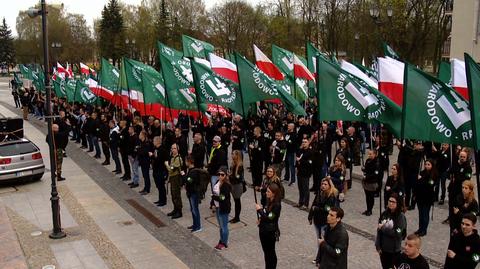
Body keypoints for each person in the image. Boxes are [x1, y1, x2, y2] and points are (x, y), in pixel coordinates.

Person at [309, 177, 338, 266]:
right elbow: (313, 204)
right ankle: (320, 258)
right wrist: (310, 215)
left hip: (324, 222)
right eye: (322, 184)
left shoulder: (331, 196)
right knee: (319, 240)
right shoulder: (319, 193)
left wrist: (317, 208)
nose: (323, 186)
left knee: (323, 241)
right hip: (317, 220)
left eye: (325, 184)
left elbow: (327, 209)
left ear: (329, 186)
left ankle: (321, 259)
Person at [375, 193, 407, 269]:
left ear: (398, 203)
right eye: (390, 201)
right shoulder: (384, 214)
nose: (390, 203)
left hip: (393, 251)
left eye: (393, 202)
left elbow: (398, 233)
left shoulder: (401, 217)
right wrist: (378, 245)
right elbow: (379, 231)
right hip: (383, 250)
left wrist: (384, 228)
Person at [256, 181, 282, 269]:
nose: (266, 193)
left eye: (268, 192)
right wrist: (260, 218)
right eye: (266, 191)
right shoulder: (268, 201)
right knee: (266, 253)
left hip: (270, 232)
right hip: (263, 230)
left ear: (274, 194)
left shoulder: (277, 205)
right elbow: (265, 213)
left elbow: (269, 218)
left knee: (270, 253)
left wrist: (259, 210)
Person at [414, 159, 437, 236]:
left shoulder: (433, 175)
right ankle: (420, 228)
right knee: (420, 214)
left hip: (427, 198)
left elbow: (430, 185)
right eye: (426, 164)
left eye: (428, 164)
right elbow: (417, 184)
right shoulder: (422, 173)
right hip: (420, 196)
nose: (426, 166)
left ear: (432, 165)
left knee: (425, 214)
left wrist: (421, 179)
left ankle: (424, 230)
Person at [212, 166, 231, 250]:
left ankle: (224, 242)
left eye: (222, 174)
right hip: (217, 207)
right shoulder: (217, 182)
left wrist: (213, 197)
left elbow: (222, 198)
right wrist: (213, 203)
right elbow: (215, 194)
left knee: (224, 226)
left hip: (223, 208)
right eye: (219, 174)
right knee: (220, 226)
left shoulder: (226, 185)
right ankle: (221, 240)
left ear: (226, 175)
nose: (220, 176)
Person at [183, 155, 203, 232]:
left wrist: (184, 175)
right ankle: (195, 224)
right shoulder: (191, 170)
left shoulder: (193, 172)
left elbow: (189, 181)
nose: (185, 163)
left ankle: (198, 226)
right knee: (192, 209)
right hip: (191, 193)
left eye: (185, 161)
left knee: (195, 210)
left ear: (189, 162)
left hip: (194, 193)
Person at [165, 143, 184, 219]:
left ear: (177, 149)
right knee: (173, 194)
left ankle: (179, 211)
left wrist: (166, 165)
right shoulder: (173, 158)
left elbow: (171, 169)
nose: (173, 150)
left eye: (174, 148)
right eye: (172, 148)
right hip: (172, 178)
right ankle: (175, 209)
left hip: (176, 178)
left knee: (176, 195)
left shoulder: (178, 159)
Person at [295, 138, 313, 209]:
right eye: (303, 142)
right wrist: (296, 166)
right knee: (300, 188)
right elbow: (297, 159)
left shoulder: (310, 152)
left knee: (305, 188)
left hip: (306, 172)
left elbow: (310, 162)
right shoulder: (300, 151)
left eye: (305, 142)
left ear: (308, 143)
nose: (304, 143)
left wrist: (301, 160)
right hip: (300, 171)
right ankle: (300, 202)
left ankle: (306, 204)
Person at [362, 149, 381, 216]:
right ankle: (368, 209)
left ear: (375, 155)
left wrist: (367, 177)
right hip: (366, 182)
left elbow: (375, 174)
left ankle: (370, 210)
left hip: (372, 182)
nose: (369, 155)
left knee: (371, 197)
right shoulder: (368, 161)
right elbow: (366, 169)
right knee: (367, 197)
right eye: (368, 154)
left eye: (370, 154)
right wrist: (363, 169)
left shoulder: (377, 163)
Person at [230, 150, 245, 223]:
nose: (232, 155)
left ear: (237, 156)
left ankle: (237, 217)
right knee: (236, 201)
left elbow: (237, 178)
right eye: (232, 154)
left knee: (237, 201)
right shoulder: (233, 164)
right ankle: (236, 217)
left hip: (237, 186)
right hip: (233, 184)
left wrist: (230, 176)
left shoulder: (240, 166)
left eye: (233, 154)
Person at [137, 131, 152, 195]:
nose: (139, 135)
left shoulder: (147, 143)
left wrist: (139, 150)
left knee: (146, 176)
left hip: (145, 162)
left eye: (140, 134)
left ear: (143, 135)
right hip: (142, 161)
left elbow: (144, 152)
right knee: (144, 175)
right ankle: (145, 187)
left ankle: (147, 189)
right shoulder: (141, 142)